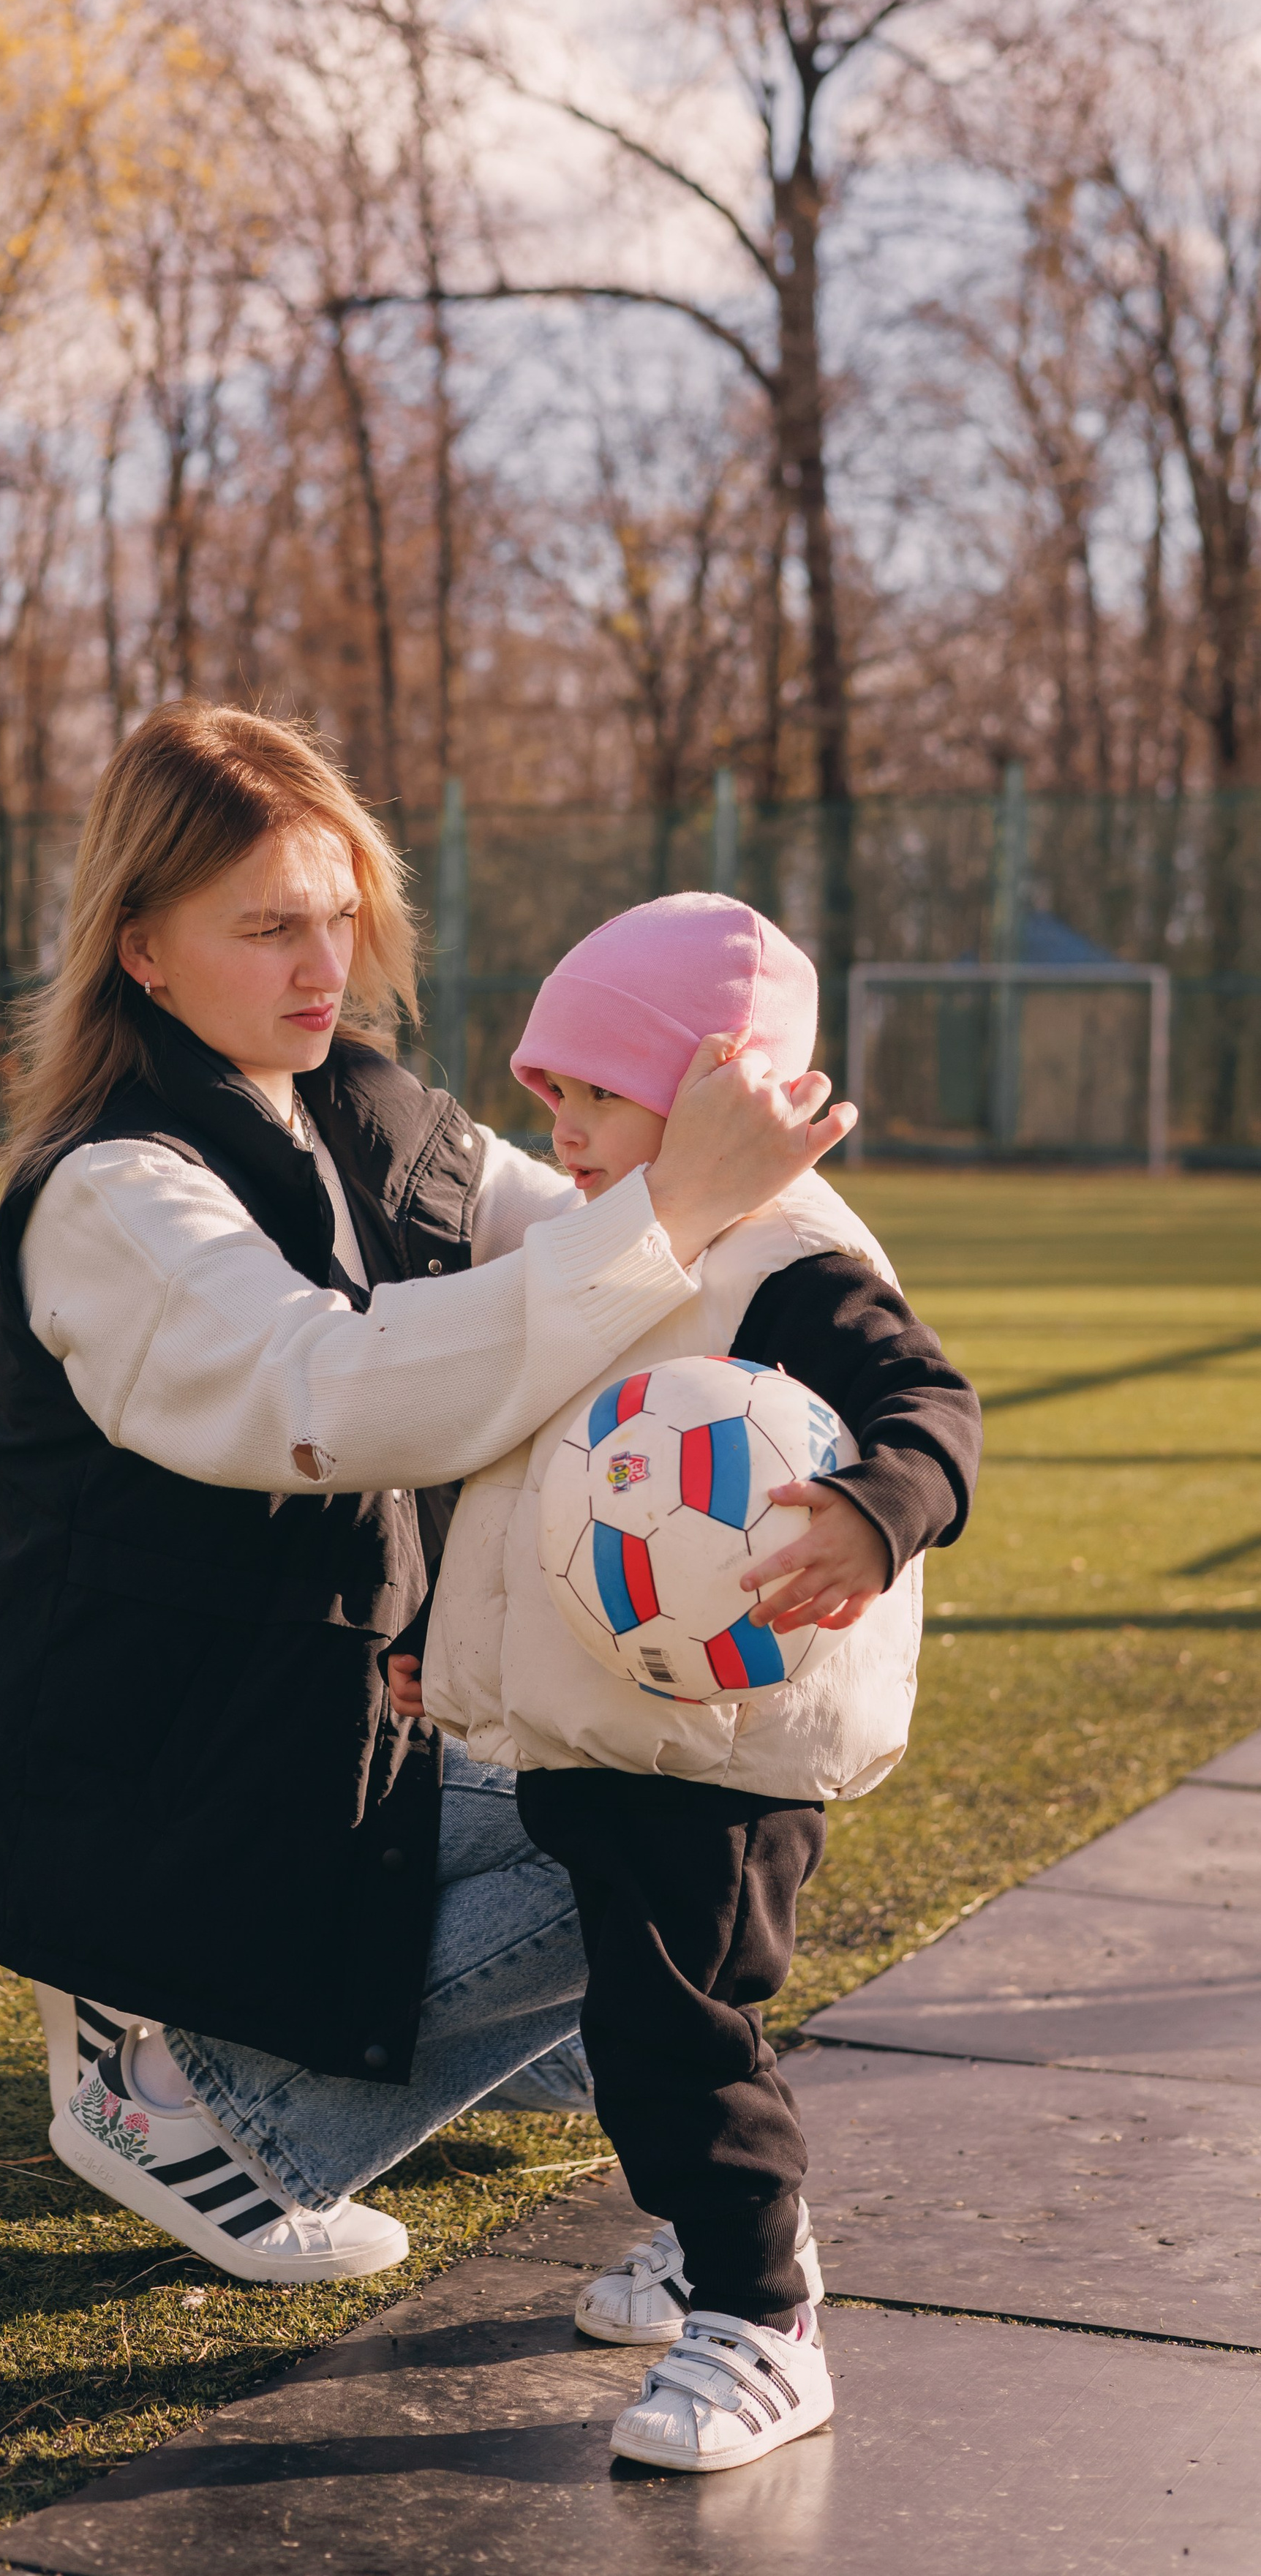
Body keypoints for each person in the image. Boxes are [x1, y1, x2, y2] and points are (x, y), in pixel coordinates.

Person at [0, 706, 857, 2287]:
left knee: (689, 1831)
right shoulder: (111, 1190)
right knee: (629, 1871)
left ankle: (233, 2018)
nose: (325, 964)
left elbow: (595, 1231)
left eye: (341, 910)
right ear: (142, 953)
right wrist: (676, 1205)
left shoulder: (368, 1111)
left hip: (304, 1737)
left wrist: (827, 1292)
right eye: (269, 925)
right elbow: (333, 1393)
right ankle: (202, 2103)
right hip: (134, 1788)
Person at [411, 890, 982, 2470]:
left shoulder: (792, 1258)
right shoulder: (625, 1247)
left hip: (717, 1746)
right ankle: (706, 2241)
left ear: (719, 1089)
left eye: (594, 1093)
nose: (562, 1128)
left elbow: (928, 1403)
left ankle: (762, 2318)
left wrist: (876, 1515)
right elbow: (530, 1482)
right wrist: (426, 1651)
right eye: (548, 1094)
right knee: (649, 2021)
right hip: (621, 1729)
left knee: (681, 2031)